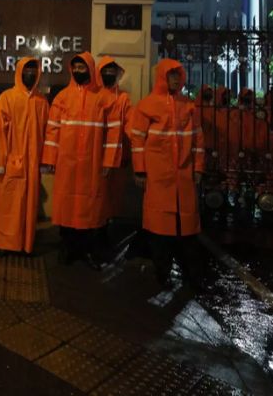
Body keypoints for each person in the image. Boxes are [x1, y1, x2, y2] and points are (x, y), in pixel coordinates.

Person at [129, 59, 206, 290]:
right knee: (159, 232)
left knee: (186, 232)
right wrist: (140, 170)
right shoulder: (146, 106)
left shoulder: (189, 106)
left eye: (177, 75)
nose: (175, 79)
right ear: (162, 77)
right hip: (158, 177)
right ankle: (163, 273)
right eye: (171, 75)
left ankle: (190, 275)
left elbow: (198, 140)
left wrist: (198, 167)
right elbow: (137, 140)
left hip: (182, 178)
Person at [43, 53, 121, 268]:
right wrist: (50, 159)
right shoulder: (62, 97)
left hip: (92, 165)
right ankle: (68, 249)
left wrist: (108, 162)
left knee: (90, 210)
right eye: (75, 67)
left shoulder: (104, 98)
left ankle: (88, 251)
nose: (78, 71)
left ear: (90, 68)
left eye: (82, 67)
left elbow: (114, 133)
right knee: (67, 207)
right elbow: (53, 130)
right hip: (67, 164)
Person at [0, 58, 50, 255]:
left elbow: (47, 134)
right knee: (9, 206)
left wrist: (45, 161)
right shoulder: (7, 97)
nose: (30, 74)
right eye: (27, 70)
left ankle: (26, 244)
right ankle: (4, 243)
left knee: (28, 206)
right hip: (10, 162)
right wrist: (0, 162)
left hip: (33, 165)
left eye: (34, 70)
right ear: (19, 72)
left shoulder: (42, 102)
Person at [97, 57, 131, 244]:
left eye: (112, 71)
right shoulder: (95, 96)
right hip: (95, 157)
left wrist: (127, 154)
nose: (109, 75)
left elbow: (130, 126)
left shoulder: (123, 98)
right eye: (105, 71)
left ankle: (106, 233)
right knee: (97, 198)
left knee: (112, 198)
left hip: (117, 159)